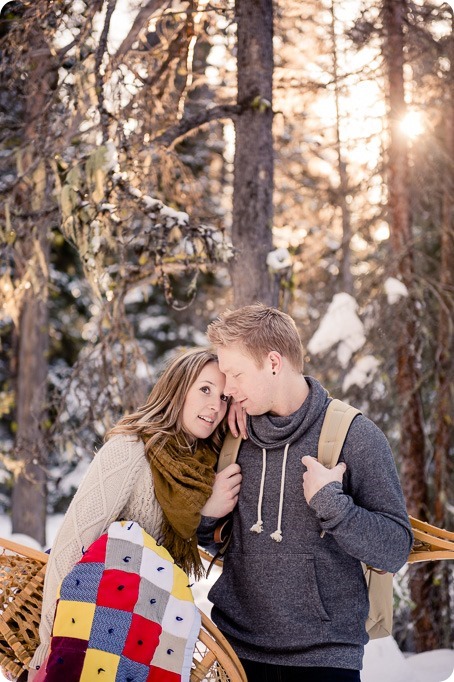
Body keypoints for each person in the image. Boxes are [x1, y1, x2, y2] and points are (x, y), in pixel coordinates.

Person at [198, 303, 413, 682]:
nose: (227, 390)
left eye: (236, 375)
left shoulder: (356, 438)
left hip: (324, 660)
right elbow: (222, 543)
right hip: (233, 651)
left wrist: (334, 506)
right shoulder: (233, 437)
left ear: (274, 363)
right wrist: (209, 517)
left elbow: (395, 548)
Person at [28, 347, 241, 680]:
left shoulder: (200, 467)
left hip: (134, 641)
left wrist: (206, 509)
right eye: (205, 389)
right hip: (80, 633)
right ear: (177, 389)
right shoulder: (129, 450)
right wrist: (48, 644)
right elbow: (71, 546)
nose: (216, 406)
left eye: (225, 397)